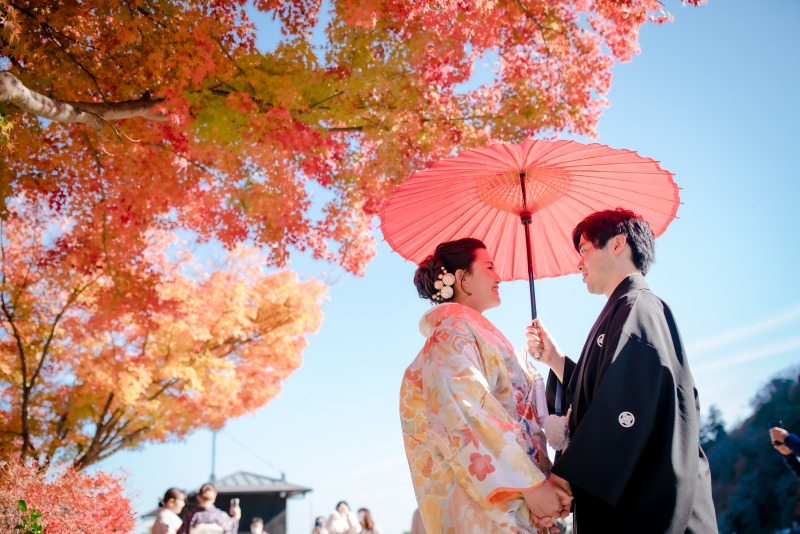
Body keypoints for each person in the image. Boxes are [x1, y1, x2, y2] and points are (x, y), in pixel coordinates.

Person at [526, 208, 718, 533]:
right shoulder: (626, 308)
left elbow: (622, 403)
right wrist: (555, 359)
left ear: (617, 244)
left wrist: (562, 481)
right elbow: (600, 393)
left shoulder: (638, 307)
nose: (579, 263)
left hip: (653, 505)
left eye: (584, 250)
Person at [400, 238, 572, 534]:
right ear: (463, 279)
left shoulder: (468, 331)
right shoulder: (452, 333)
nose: (499, 277)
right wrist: (529, 485)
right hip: (493, 507)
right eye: (489, 267)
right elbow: (469, 412)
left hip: (519, 502)